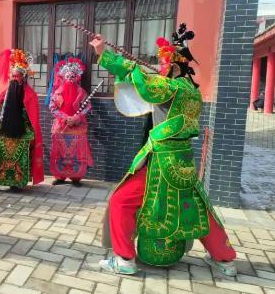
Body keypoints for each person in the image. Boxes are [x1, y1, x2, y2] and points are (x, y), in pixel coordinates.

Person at [91, 24, 237, 277]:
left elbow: (135, 73)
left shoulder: (170, 87)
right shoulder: (192, 92)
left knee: (121, 201)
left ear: (176, 66)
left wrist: (103, 52)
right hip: (183, 161)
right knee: (198, 205)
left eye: (163, 62)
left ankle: (124, 259)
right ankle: (225, 260)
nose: (160, 67)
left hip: (161, 161)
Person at [0, 49, 44, 194]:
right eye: (13, 76)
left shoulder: (30, 95)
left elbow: (33, 117)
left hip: (21, 132)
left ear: (23, 77)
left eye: (17, 76)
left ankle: (15, 183)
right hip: (3, 131)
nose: (14, 78)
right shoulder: (5, 93)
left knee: (19, 158)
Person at [48, 57, 93, 186]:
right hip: (61, 126)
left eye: (72, 76)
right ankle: (60, 176)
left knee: (77, 153)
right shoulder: (57, 92)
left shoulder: (82, 92)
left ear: (76, 78)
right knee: (59, 152)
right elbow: (52, 107)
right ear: (63, 77)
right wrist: (65, 118)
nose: (70, 79)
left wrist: (77, 118)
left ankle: (76, 177)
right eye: (67, 76)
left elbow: (87, 107)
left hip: (78, 127)